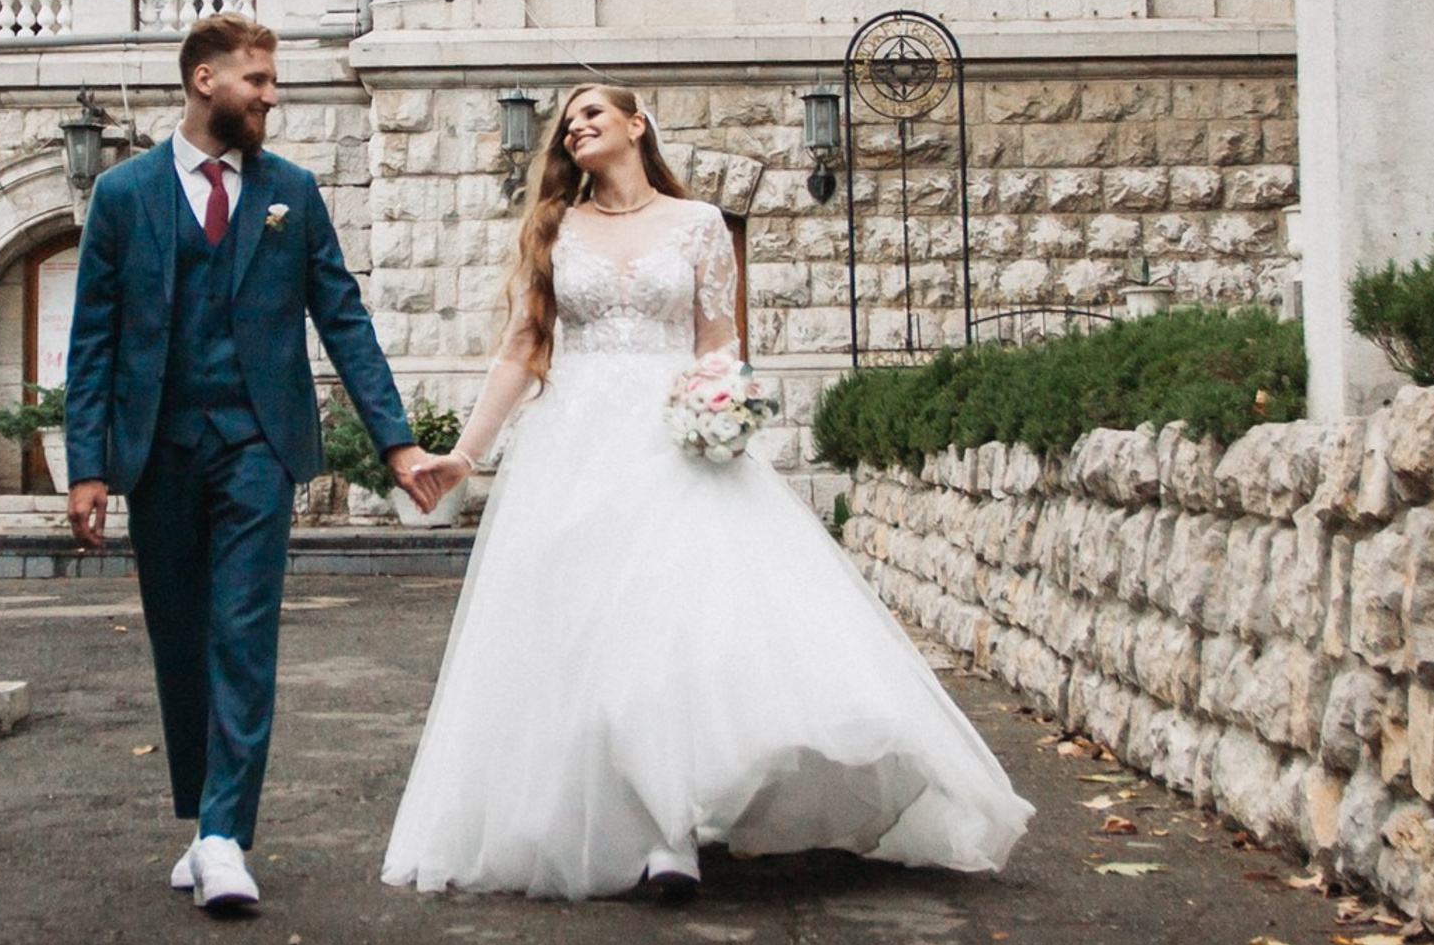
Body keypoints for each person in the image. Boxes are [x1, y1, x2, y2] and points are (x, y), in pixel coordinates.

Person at [382, 80, 1032, 900]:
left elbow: (717, 341)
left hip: (674, 443)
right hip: (576, 446)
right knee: (590, 633)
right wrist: (467, 455)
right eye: (568, 121)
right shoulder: (558, 228)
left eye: (593, 113)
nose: (577, 126)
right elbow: (522, 348)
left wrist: (725, 406)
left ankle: (673, 830)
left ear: (635, 124)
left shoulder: (697, 227)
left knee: (674, 626)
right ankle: (635, 822)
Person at [65, 16, 444, 915]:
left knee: (243, 631)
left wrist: (394, 440)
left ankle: (228, 836)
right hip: (158, 449)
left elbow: (343, 318)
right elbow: (94, 340)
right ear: (205, 80)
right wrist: (87, 466)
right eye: (259, 80)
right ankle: (204, 822)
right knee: (181, 639)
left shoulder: (293, 194)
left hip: (256, 448)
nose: (272, 96)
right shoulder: (122, 195)